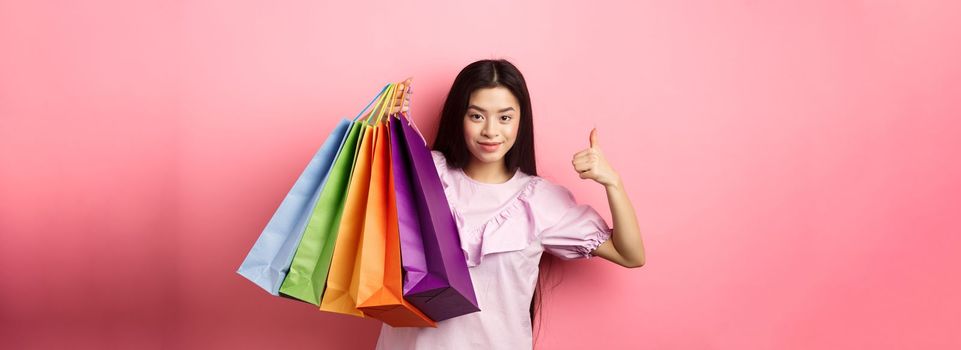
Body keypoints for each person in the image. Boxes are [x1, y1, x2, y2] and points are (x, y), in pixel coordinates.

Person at [375, 59, 645, 349]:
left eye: (505, 118)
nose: (491, 131)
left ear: (521, 120)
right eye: (477, 116)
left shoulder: (540, 201)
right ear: (459, 118)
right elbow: (356, 211)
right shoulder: (424, 172)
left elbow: (629, 254)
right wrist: (382, 132)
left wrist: (612, 182)